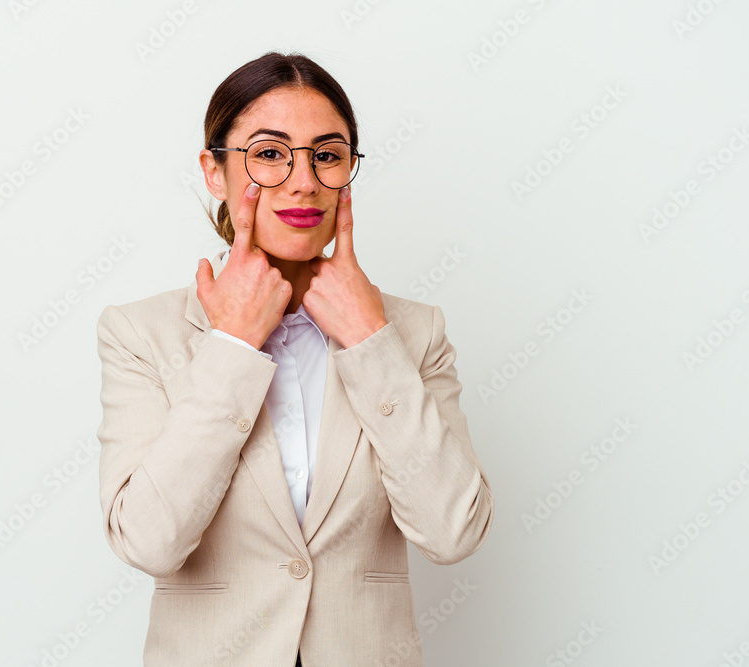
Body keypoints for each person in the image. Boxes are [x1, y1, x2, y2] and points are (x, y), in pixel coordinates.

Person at [95, 51, 494, 667]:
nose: (303, 181)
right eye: (270, 153)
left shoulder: (414, 332)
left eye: (327, 155)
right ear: (214, 170)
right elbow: (150, 542)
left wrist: (370, 342)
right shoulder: (140, 333)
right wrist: (230, 348)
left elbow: (453, 533)